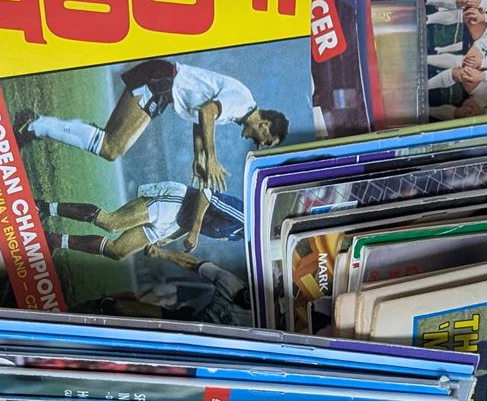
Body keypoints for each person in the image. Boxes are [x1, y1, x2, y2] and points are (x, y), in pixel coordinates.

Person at [23, 58, 289, 192]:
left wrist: (198, 157)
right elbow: (207, 113)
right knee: (112, 148)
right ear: (265, 125)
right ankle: (35, 125)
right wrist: (212, 160)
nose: (260, 144)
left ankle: (37, 125)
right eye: (266, 141)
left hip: (163, 87)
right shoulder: (242, 102)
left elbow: (202, 117)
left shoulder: (239, 111)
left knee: (110, 145)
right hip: (161, 82)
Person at [46, 182, 240, 262]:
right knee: (113, 223)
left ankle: (55, 240)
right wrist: (194, 232)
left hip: (176, 223)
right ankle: (45, 208)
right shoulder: (244, 219)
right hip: (177, 202)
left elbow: (204, 220)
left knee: (118, 251)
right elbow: (205, 195)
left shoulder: (238, 237)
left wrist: (172, 237)